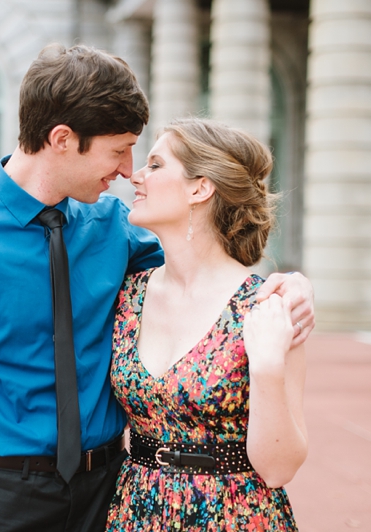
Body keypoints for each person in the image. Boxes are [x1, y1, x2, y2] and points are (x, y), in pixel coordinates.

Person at [0, 44, 314, 532]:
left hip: (111, 493)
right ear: (62, 138)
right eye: (118, 148)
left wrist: (290, 287)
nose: (128, 169)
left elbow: (206, 269)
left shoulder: (116, 229)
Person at [105, 118, 308, 531]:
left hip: (233, 515)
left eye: (156, 165)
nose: (136, 176)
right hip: (136, 510)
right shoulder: (128, 295)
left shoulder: (267, 306)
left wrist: (268, 365)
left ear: (200, 188)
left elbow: (278, 469)